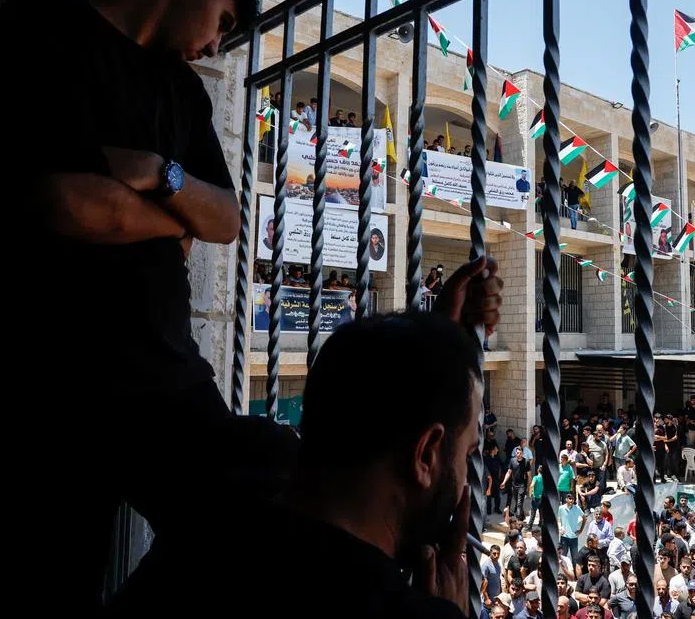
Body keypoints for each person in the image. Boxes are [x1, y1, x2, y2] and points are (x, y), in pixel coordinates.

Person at [0, 0, 265, 611]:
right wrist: (174, 222)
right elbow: (64, 203)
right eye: (221, 21)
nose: (215, 45)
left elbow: (225, 220)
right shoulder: (40, 28)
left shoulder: (182, 92)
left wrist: (160, 173)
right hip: (40, 384)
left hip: (163, 377)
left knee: (260, 509)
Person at [110, 256, 503, 611]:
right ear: (426, 455)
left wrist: (437, 345)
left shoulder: (241, 478)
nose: (467, 476)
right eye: (467, 452)